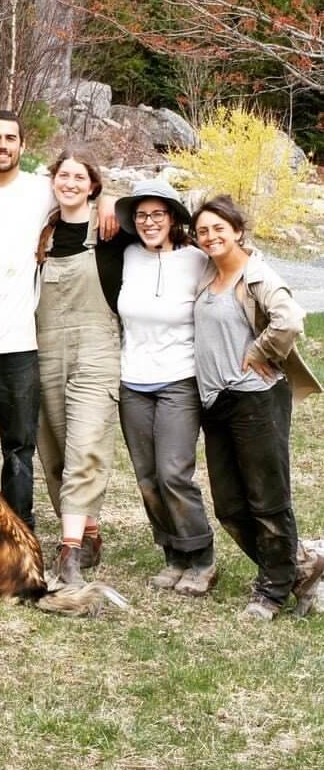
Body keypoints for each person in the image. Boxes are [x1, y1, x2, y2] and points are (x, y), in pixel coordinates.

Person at [0, 114, 118, 534]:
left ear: (22, 146)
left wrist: (108, 197)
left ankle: (20, 526)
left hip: (21, 340)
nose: (3, 145)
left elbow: (84, 184)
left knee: (20, 446)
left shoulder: (42, 191)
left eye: (11, 138)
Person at [192, 195, 324, 619]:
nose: (210, 236)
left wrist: (260, 349)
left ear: (237, 230)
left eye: (219, 228)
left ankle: (272, 590)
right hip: (215, 401)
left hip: (255, 398)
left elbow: (290, 319)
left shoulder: (256, 275)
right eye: (203, 231)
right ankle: (300, 565)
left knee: (267, 499)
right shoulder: (207, 276)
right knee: (229, 505)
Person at [35, 148, 131, 584]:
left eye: (80, 177)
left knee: (85, 444)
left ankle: (68, 553)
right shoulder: (42, 230)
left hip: (96, 347)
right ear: (53, 180)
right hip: (46, 345)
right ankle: (87, 529)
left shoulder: (111, 228)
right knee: (54, 445)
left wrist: (111, 198)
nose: (70, 183)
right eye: (63, 175)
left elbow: (157, 217)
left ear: (92, 184)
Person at [114, 180, 216, 595]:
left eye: (157, 214)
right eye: (141, 216)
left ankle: (202, 557)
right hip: (133, 379)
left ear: (173, 219)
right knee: (147, 476)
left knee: (174, 471)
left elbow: (237, 273)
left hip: (179, 377)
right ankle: (174, 554)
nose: (149, 222)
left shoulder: (196, 260)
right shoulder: (125, 256)